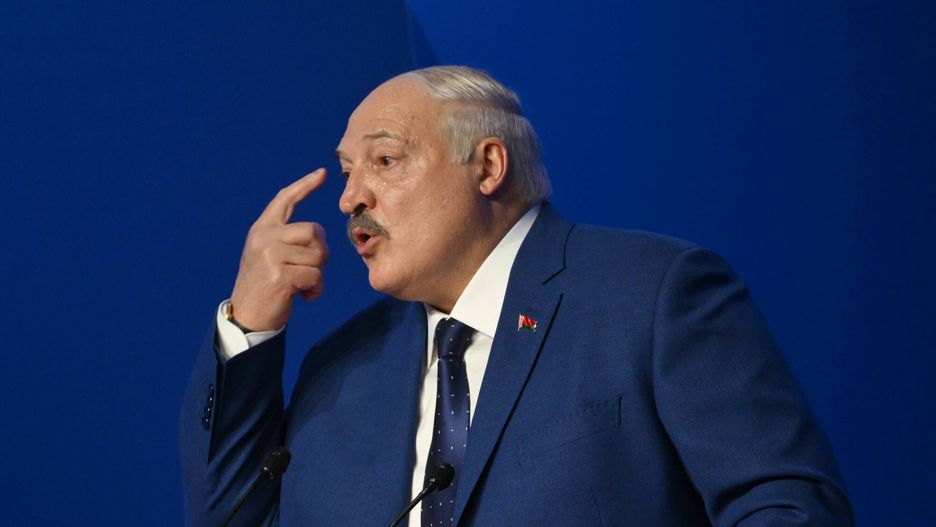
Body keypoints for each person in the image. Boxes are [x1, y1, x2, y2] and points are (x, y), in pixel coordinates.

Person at [180, 66, 853, 526]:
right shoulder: (340, 368)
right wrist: (250, 325)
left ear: (488, 166)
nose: (351, 197)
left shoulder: (651, 294)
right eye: (348, 172)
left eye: (384, 161)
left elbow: (786, 505)